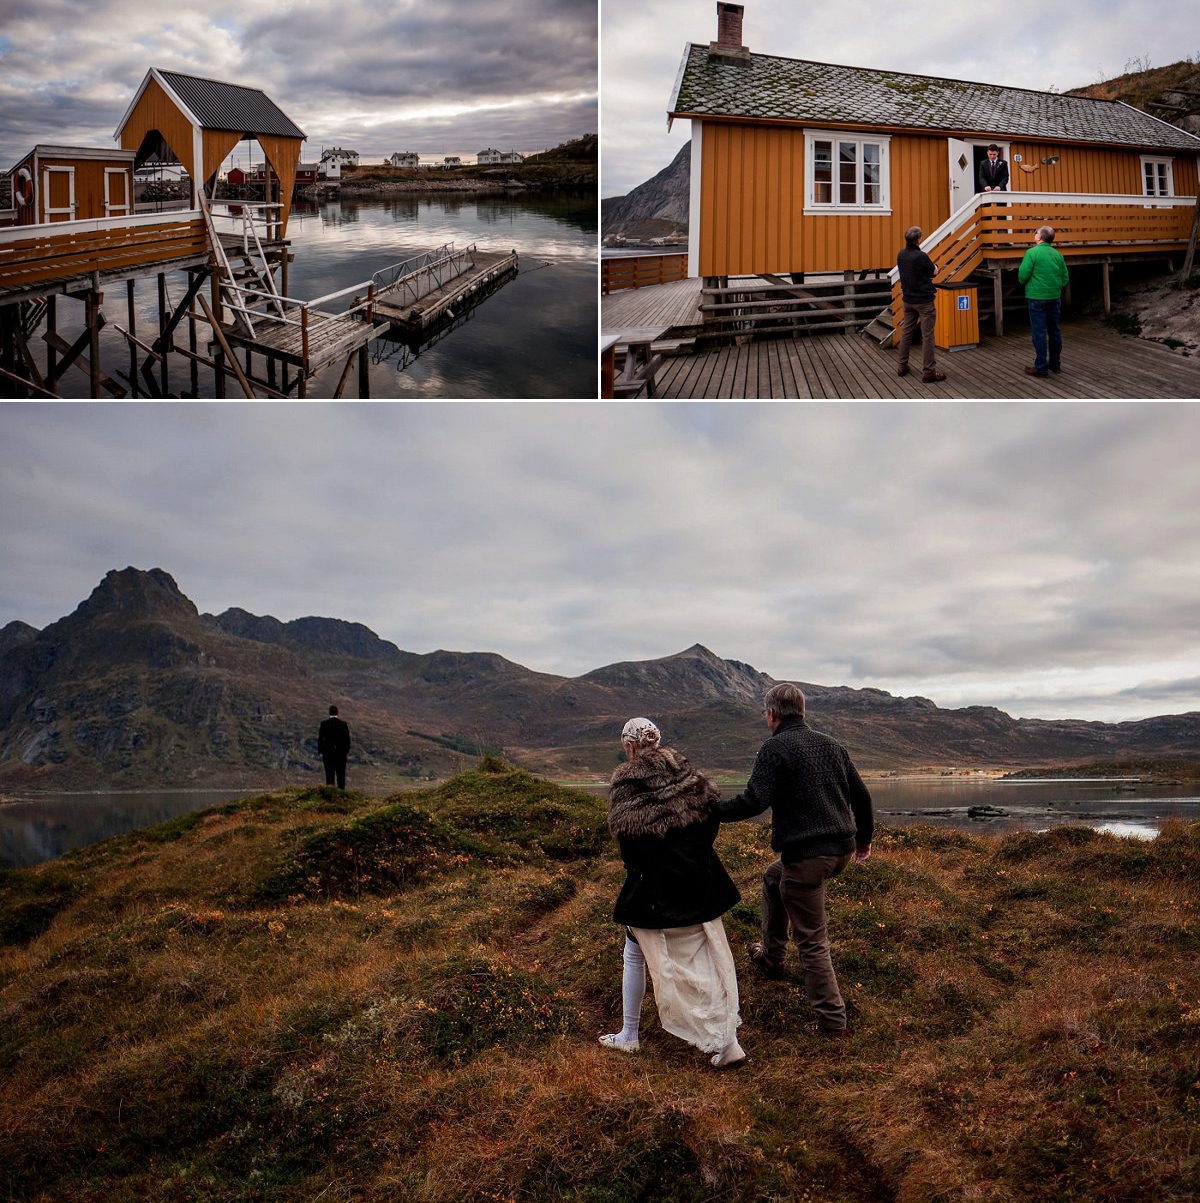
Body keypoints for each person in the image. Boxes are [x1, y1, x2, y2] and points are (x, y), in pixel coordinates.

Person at [716, 684, 873, 1039]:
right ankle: (772, 956)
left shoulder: (775, 748)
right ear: (801, 711)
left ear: (772, 714)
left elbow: (754, 801)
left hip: (807, 858)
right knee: (774, 878)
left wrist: (709, 812)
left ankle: (832, 1021)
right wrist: (863, 839)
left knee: (813, 940)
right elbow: (861, 796)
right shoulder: (831, 745)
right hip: (840, 851)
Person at [599, 717, 746, 1069]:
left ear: (629, 747)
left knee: (634, 951)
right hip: (701, 883)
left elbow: (630, 848)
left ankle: (630, 1034)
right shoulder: (687, 775)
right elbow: (711, 817)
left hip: (655, 892)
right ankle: (729, 1040)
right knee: (711, 958)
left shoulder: (627, 786)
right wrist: (692, 855)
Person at [895, 226, 946, 384]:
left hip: (908, 300)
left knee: (906, 333)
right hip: (924, 301)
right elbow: (933, 272)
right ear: (919, 240)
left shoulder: (901, 255)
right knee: (928, 336)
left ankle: (902, 366)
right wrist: (936, 267)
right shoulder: (921, 256)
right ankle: (929, 372)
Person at [1018, 225, 1070, 378]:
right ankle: (1055, 364)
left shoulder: (1031, 253)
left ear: (1040, 238)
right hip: (1054, 297)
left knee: (1039, 333)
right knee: (1055, 330)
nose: (1034, 234)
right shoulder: (1058, 255)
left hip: (1037, 298)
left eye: (1036, 233)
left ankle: (1041, 367)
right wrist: (1054, 288)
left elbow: (1022, 276)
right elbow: (1065, 277)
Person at [317, 704, 351, 788]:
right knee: (341, 775)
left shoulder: (324, 724)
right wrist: (345, 751)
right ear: (337, 712)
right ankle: (341, 793)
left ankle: (330, 793)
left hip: (328, 753)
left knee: (329, 774)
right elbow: (347, 739)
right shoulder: (343, 724)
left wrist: (321, 750)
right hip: (340, 753)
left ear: (329, 713)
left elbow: (320, 738)